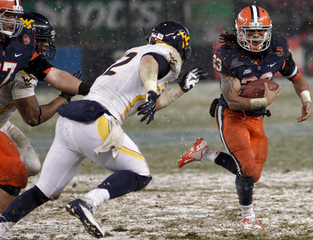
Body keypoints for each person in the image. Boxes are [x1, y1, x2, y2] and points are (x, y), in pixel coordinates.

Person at [0, 20, 207, 238]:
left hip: (70, 121)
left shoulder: (137, 53)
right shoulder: (162, 53)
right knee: (140, 173)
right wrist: (151, 90)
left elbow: (147, 103)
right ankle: (88, 202)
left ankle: (2, 226)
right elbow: (150, 62)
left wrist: (180, 89)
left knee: (44, 190)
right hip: (95, 121)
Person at [177, 5, 312, 230]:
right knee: (246, 169)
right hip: (231, 115)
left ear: (269, 31)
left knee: (253, 175)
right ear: (240, 32)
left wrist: (306, 99)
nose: (257, 36)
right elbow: (231, 99)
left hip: (256, 118)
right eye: (251, 32)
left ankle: (206, 153)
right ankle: (248, 217)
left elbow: (297, 78)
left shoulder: (278, 48)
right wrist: (264, 101)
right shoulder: (228, 54)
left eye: (261, 32)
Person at [0, 2, 91, 214]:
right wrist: (64, 98)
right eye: (8, 16)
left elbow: (54, 74)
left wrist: (91, 88)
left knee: (25, 170)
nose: (14, 23)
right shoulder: (20, 68)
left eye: (16, 17)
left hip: (3, 121)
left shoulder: (19, 49)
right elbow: (33, 117)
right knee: (15, 173)